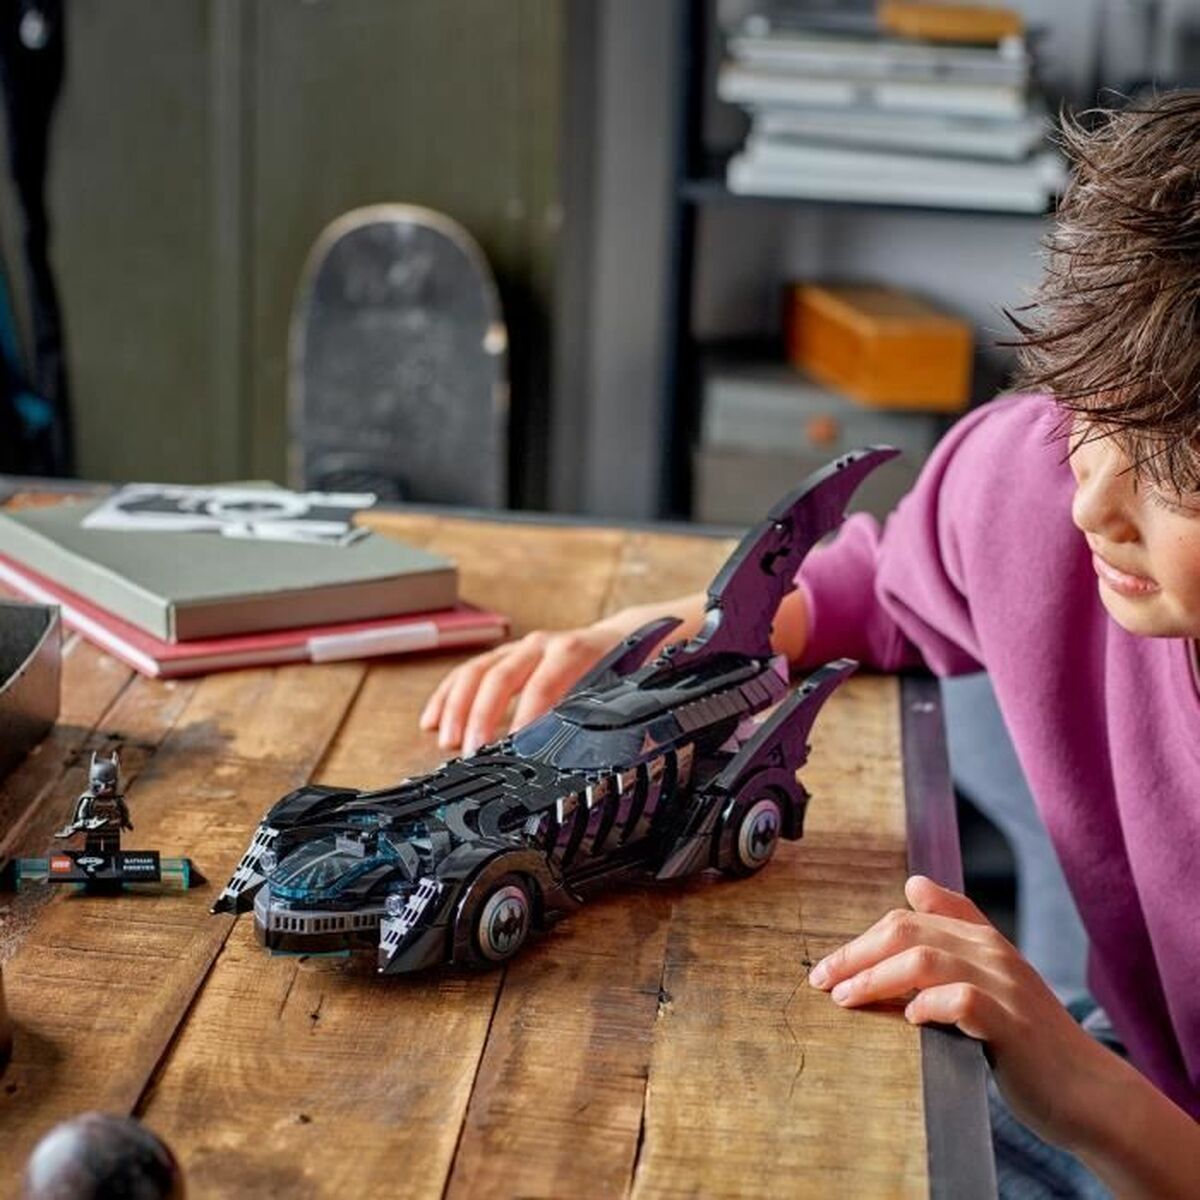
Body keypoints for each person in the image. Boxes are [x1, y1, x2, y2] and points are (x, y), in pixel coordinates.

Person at [420, 91, 1200, 1197]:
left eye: (1172, 471)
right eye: (1091, 412)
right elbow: (878, 584)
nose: (1092, 504)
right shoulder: (1029, 484)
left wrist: (1081, 1089)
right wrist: (677, 641)